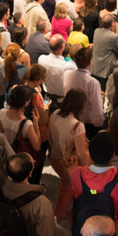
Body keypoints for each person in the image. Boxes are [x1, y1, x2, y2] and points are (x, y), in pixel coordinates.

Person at [50, 88, 91, 219]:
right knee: (67, 188)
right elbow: (82, 155)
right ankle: (59, 213)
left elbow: (50, 138)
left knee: (64, 183)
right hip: (68, 163)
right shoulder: (77, 125)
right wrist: (87, 169)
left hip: (54, 157)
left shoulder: (55, 113)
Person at [63, 46, 104, 137]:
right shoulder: (93, 83)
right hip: (86, 124)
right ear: (90, 63)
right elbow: (98, 111)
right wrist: (97, 123)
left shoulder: (66, 74)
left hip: (67, 118)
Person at [91, 15, 118, 91]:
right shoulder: (113, 36)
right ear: (112, 24)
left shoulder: (96, 31)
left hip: (94, 67)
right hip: (105, 70)